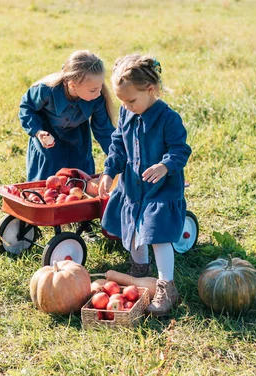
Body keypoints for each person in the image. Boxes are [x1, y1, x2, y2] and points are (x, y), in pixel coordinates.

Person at [98, 54, 192, 317]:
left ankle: (166, 286)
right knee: (133, 231)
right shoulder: (128, 115)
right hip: (133, 188)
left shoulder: (167, 119)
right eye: (121, 102)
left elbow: (180, 149)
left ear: (150, 90)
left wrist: (165, 166)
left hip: (160, 189)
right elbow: (118, 145)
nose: (126, 107)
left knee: (156, 235)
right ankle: (139, 271)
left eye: (131, 100)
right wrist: (109, 172)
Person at [19, 50, 116, 182]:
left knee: (79, 184)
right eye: (93, 90)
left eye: (100, 86)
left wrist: (117, 158)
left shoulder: (97, 99)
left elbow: (104, 130)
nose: (99, 93)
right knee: (48, 186)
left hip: (78, 144)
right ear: (72, 85)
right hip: (48, 144)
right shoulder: (46, 90)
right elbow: (27, 108)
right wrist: (38, 132)